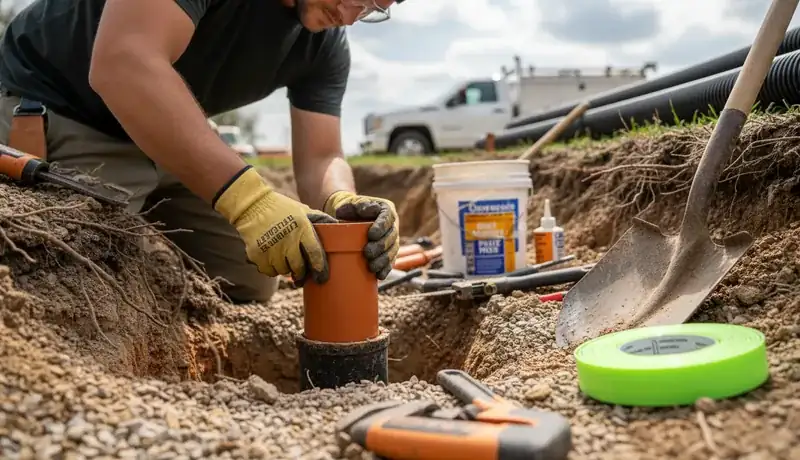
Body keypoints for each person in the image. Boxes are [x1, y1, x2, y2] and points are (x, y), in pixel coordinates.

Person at [0, 0, 405, 304]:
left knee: (251, 276)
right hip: (63, 107)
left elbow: (321, 157)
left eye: (373, 8)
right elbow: (122, 62)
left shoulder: (325, 45)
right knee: (77, 276)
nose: (353, 14)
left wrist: (342, 201)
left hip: (166, 130)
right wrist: (248, 201)